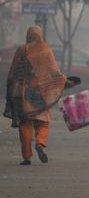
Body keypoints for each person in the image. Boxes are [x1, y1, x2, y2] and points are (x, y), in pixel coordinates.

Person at [3, 25, 75, 166]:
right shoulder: (46, 50)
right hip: (42, 93)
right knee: (43, 122)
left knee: (25, 125)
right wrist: (66, 82)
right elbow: (54, 72)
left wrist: (11, 90)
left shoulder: (21, 49)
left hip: (23, 94)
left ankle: (27, 157)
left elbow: (12, 72)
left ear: (28, 35)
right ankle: (40, 143)